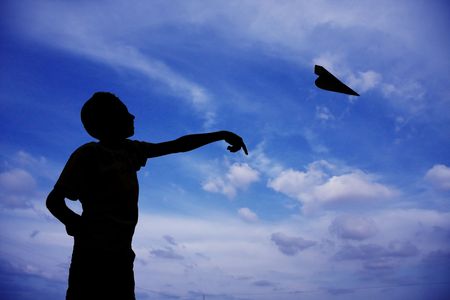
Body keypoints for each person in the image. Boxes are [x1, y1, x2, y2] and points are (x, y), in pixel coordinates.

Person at [46, 92, 248, 300]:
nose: (133, 116)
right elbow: (54, 201)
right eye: (125, 113)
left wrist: (221, 134)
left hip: (122, 256)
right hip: (92, 256)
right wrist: (80, 227)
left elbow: (178, 145)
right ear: (108, 121)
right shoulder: (88, 154)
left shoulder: (131, 151)